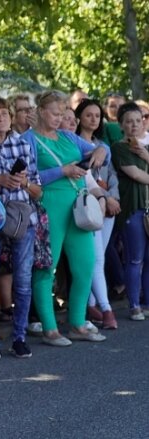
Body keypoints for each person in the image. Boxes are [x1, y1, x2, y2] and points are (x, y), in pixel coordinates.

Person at [20, 90, 108, 346]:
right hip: (48, 207)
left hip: (77, 207)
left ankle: (78, 323)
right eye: (55, 114)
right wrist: (62, 170)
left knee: (85, 265)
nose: (60, 119)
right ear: (41, 112)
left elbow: (100, 151)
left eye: (63, 114)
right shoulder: (28, 140)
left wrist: (101, 151)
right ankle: (49, 328)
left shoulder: (69, 137)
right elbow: (28, 178)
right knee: (47, 266)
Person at [0, 97, 41, 360]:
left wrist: (23, 184)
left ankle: (19, 337)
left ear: (12, 118)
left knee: (23, 280)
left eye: (5, 113)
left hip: (21, 218)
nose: (1, 117)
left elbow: (38, 191)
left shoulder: (24, 145)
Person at [75, 99, 119, 329]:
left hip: (107, 205)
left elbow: (110, 174)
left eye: (97, 115)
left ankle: (90, 305)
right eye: (88, 115)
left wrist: (112, 197)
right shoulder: (73, 143)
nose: (93, 119)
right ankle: (106, 308)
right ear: (79, 117)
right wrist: (105, 196)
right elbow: (85, 179)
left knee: (98, 257)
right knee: (95, 259)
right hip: (86, 206)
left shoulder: (104, 145)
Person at [110, 102, 149, 321]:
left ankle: (147, 302)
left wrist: (145, 155)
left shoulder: (146, 147)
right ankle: (134, 304)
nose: (134, 125)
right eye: (128, 122)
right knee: (135, 258)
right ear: (121, 125)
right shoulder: (119, 147)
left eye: (138, 120)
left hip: (148, 207)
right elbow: (136, 175)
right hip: (133, 208)